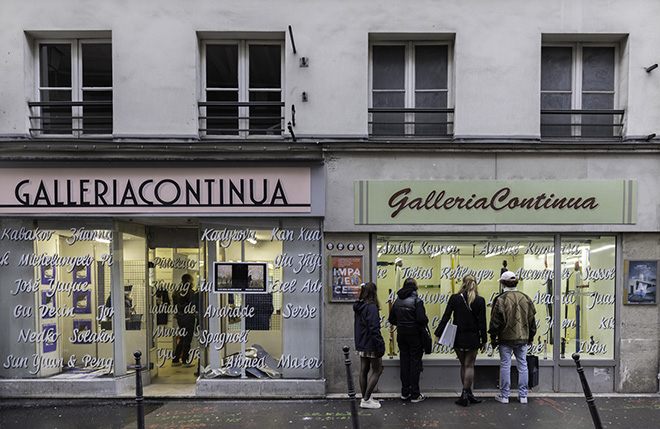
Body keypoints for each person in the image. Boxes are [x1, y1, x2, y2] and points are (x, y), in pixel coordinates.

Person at [434, 274, 487, 406]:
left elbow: (446, 317)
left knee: (463, 365)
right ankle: (466, 393)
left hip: (458, 336)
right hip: (473, 337)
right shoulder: (480, 300)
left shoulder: (454, 298)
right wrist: (484, 340)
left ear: (463, 283)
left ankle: (466, 393)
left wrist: (438, 334)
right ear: (475, 283)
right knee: (470, 365)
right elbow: (482, 323)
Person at [488, 271, 537, 404]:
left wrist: (493, 338)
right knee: (523, 365)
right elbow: (532, 320)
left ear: (502, 283)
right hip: (522, 337)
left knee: (505, 365)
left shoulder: (501, 299)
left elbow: (495, 322)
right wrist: (531, 336)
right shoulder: (526, 298)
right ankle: (523, 396)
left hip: (505, 338)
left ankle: (504, 395)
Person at [388, 278, 429, 403]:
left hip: (402, 335)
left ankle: (405, 392)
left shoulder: (398, 301)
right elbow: (422, 320)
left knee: (404, 363)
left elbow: (391, 319)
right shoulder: (417, 301)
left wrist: (402, 323)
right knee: (415, 363)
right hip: (415, 336)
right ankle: (415, 394)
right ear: (415, 287)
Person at [353, 282, 386, 409]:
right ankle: (366, 399)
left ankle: (365, 397)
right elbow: (374, 329)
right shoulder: (371, 307)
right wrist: (380, 345)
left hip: (362, 343)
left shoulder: (359, 306)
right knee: (378, 370)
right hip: (371, 343)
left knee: (364, 370)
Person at [172, 274, 197, 366]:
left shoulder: (176, 291)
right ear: (189, 280)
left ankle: (175, 359)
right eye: (192, 280)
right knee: (188, 338)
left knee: (182, 338)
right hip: (188, 316)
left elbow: (175, 305)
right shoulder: (189, 291)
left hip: (180, 317)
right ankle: (185, 360)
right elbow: (192, 304)